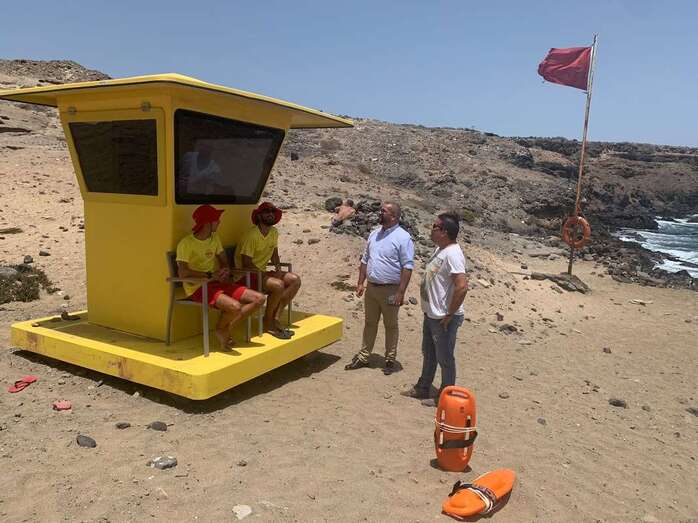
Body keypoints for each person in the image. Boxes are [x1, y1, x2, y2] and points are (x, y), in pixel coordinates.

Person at [401, 212, 468, 407]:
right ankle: (423, 387)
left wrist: (449, 314)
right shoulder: (441, 249)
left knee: (445, 358)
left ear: (444, 232)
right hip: (432, 314)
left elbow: (462, 286)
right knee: (429, 353)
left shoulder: (453, 254)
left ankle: (445, 398)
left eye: (435, 227)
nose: (431, 230)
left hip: (443, 318)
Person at [176, 204, 265, 350]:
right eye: (216, 220)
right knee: (235, 307)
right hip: (198, 287)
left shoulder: (215, 238)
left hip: (216, 282)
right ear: (207, 222)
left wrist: (225, 270)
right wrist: (210, 275)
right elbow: (183, 272)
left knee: (259, 299)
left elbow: (223, 261)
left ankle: (224, 328)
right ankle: (223, 330)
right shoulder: (186, 244)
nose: (219, 222)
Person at [345, 202, 414, 375]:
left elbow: (407, 266)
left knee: (390, 325)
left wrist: (401, 292)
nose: (380, 213)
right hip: (372, 289)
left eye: (384, 211)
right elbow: (365, 260)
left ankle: (390, 359)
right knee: (369, 323)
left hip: (391, 290)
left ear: (394, 216)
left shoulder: (403, 237)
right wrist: (360, 282)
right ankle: (363, 356)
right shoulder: (374, 234)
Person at [235, 201, 301, 339]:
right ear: (259, 216)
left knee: (294, 280)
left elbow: (274, 254)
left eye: (272, 212)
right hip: (246, 275)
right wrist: (265, 275)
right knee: (278, 285)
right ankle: (267, 321)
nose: (270, 214)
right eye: (266, 212)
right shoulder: (252, 235)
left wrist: (278, 268)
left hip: (261, 272)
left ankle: (275, 317)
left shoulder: (273, 232)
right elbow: (246, 263)